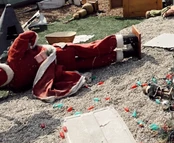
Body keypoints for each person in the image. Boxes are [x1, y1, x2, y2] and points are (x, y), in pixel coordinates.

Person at [0, 28, 140, 102]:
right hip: (58, 59)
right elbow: (27, 36)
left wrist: (34, 48)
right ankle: (127, 46)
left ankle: (127, 47)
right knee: (92, 54)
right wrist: (34, 46)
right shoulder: (14, 65)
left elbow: (26, 36)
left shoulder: (15, 77)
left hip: (59, 60)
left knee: (91, 56)